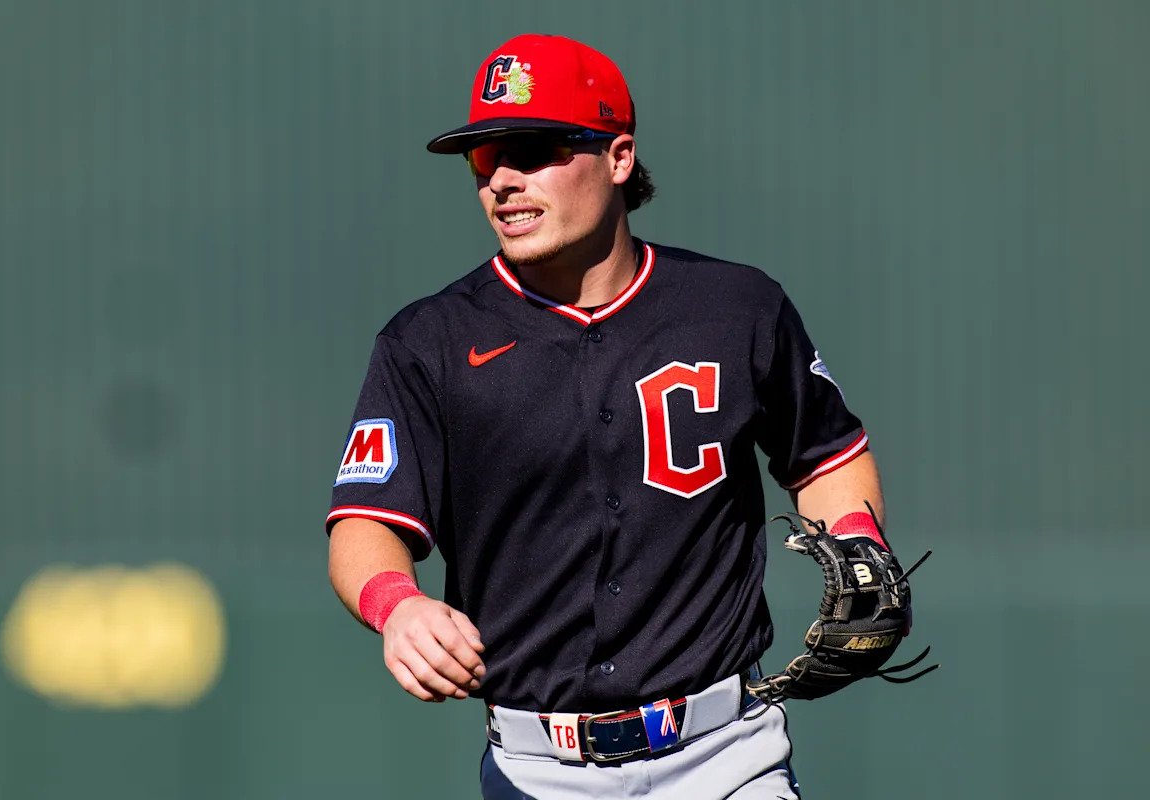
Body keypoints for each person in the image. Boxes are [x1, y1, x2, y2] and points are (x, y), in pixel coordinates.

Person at [327, 33, 893, 799]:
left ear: (620, 157)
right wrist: (396, 605)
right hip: (536, 769)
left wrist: (858, 537)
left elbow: (826, 456)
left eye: (536, 150)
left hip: (727, 756)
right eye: (485, 158)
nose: (504, 181)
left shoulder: (735, 309)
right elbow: (364, 522)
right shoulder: (429, 342)